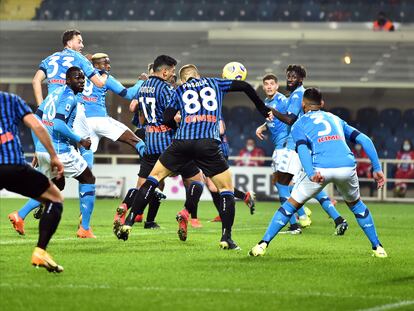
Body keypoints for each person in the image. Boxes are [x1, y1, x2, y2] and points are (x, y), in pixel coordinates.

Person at [113, 64, 272, 250]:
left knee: (153, 179)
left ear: (182, 79)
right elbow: (244, 86)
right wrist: (262, 109)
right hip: (208, 144)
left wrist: (180, 124)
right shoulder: (214, 83)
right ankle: (226, 238)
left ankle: (129, 223)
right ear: (198, 75)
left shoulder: (179, 90)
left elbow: (166, 118)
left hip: (181, 143)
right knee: (226, 189)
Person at [249, 88, 387, 258]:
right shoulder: (336, 119)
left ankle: (262, 244)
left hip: (321, 169)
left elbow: (302, 148)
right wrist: (377, 168)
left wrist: (310, 172)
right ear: (322, 103)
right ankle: (378, 248)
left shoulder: (299, 123)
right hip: (346, 166)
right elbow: (364, 139)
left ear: (303, 105)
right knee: (357, 205)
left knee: (290, 205)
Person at [29, 29, 108, 234]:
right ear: (69, 42)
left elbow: (36, 81)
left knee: (51, 171)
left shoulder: (50, 58)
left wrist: (42, 105)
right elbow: (99, 83)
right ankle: (85, 220)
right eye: (79, 41)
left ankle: (34, 206)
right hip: (72, 107)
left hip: (49, 108)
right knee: (86, 156)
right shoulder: (78, 58)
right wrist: (100, 69)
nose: (82, 45)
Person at [113, 56, 204, 232]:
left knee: (143, 186)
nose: (172, 75)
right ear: (164, 71)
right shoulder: (166, 89)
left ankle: (125, 210)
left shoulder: (143, 87)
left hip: (150, 143)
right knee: (197, 180)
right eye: (171, 71)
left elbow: (135, 109)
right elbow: (175, 114)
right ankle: (187, 213)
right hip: (168, 144)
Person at [10, 67, 96, 238]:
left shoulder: (55, 93)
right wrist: (81, 140)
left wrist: (38, 147)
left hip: (44, 150)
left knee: (53, 187)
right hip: (59, 150)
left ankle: (19, 215)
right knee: (88, 178)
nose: (81, 81)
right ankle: (84, 228)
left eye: (83, 79)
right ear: (68, 80)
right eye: (77, 78)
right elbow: (58, 125)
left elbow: (36, 118)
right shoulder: (69, 97)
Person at [265, 68, 347, 235]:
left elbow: (290, 119)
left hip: (294, 145)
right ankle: (338, 219)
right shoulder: (299, 94)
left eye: (293, 76)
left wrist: (270, 110)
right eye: (288, 76)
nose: (289, 79)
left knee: (281, 184)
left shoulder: (296, 95)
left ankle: (295, 225)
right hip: (305, 145)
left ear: (301, 79)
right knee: (313, 186)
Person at [1, 91, 65, 272]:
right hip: (12, 165)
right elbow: (38, 127)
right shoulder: (11, 100)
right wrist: (53, 156)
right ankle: (40, 252)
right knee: (55, 198)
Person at [82, 52, 145, 167]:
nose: (108, 66)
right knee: (136, 141)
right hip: (101, 120)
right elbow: (128, 94)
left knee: (86, 160)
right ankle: (149, 162)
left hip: (84, 123)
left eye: (108, 64)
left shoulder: (80, 76)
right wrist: (141, 81)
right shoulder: (105, 78)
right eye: (105, 64)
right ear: (95, 66)